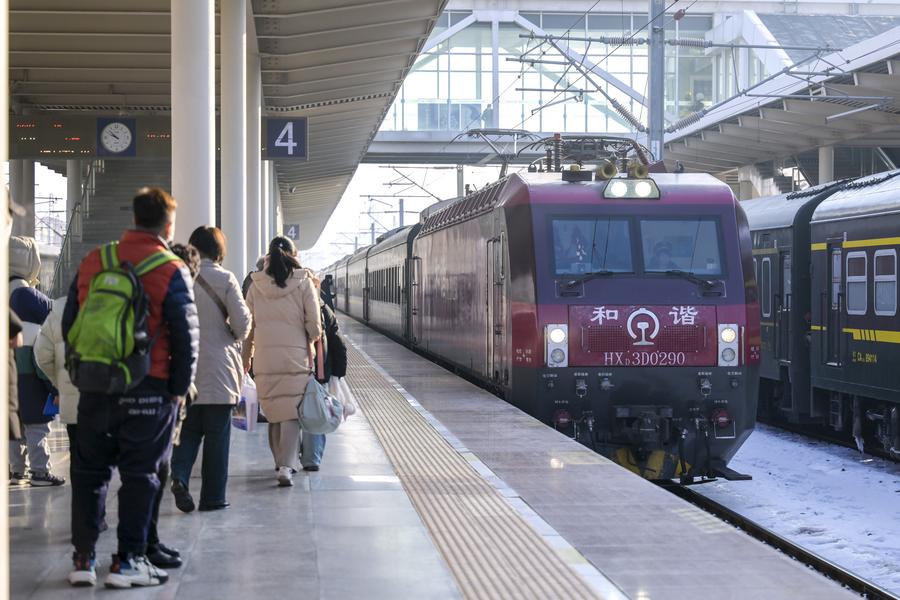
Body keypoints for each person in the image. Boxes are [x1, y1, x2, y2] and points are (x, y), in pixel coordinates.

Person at [62, 187, 198, 588]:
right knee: (140, 475)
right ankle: (128, 561)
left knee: (89, 472)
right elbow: (185, 338)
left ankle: (84, 559)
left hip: (95, 387)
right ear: (168, 224)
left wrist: (85, 373)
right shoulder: (170, 267)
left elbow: (72, 323)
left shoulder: (95, 260)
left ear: (134, 217)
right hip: (148, 388)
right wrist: (177, 389)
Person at [170, 228, 251, 513]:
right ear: (219, 250)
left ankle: (179, 476)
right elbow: (242, 324)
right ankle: (213, 497)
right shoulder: (225, 278)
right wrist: (228, 331)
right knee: (217, 437)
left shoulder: (178, 277)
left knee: (188, 431)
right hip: (219, 368)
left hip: (184, 367)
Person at [242, 236, 322, 487]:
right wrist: (310, 335)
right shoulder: (304, 283)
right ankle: (286, 466)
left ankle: (279, 462)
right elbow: (315, 326)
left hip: (264, 359)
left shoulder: (255, 286)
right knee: (291, 414)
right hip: (295, 357)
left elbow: (248, 328)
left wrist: (246, 359)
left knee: (274, 412)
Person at [8, 236, 61, 486]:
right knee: (36, 423)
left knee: (13, 423)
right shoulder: (25, 295)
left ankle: (15, 470)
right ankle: (40, 471)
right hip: (28, 367)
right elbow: (54, 310)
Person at [301, 273, 348, 472]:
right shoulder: (324, 309)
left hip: (292, 369)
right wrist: (338, 372)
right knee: (316, 412)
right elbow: (338, 344)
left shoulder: (292, 307)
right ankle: (312, 458)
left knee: (290, 416)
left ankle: (286, 461)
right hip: (318, 371)